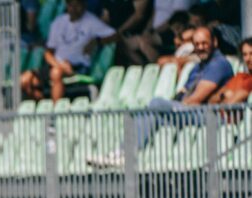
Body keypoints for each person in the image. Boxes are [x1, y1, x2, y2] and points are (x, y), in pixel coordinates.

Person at [89, 27, 233, 167]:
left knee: (157, 103)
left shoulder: (218, 64)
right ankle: (121, 154)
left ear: (214, 42)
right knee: (148, 115)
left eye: (204, 43)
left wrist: (172, 107)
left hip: (210, 115)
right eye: (197, 44)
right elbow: (184, 92)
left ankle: (124, 154)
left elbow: (195, 100)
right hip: (190, 111)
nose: (200, 47)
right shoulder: (199, 66)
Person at [20, 0, 118, 101]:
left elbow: (115, 36)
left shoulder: (91, 21)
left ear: (83, 5)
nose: (74, 9)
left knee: (56, 73)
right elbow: (48, 53)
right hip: (56, 65)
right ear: (67, 5)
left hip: (78, 67)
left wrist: (97, 41)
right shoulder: (58, 22)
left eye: (78, 5)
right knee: (24, 79)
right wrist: (59, 65)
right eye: (71, 5)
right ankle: (38, 108)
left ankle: (56, 112)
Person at [209, 38, 252, 105]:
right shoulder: (240, 77)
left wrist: (223, 98)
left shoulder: (249, 81)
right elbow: (211, 101)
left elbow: (230, 104)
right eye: (245, 54)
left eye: (251, 54)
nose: (248, 58)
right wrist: (223, 95)